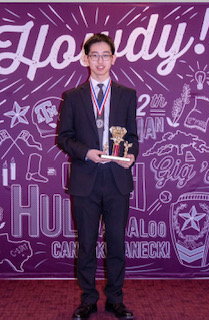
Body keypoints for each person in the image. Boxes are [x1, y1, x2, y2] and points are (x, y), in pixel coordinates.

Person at [57, 33, 139, 320]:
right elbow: (64, 138)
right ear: (85, 58)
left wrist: (132, 156)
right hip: (85, 181)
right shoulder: (73, 97)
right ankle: (88, 300)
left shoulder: (128, 95)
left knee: (116, 243)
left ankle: (116, 300)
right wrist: (86, 152)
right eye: (94, 55)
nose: (100, 60)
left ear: (114, 59)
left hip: (117, 180)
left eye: (106, 55)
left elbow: (132, 137)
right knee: (88, 244)